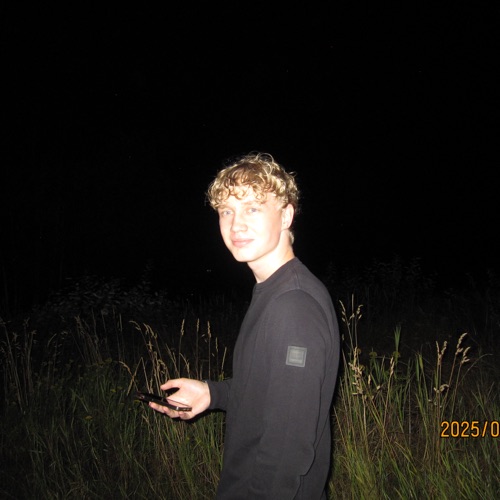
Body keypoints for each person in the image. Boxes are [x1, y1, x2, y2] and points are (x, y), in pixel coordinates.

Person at [150, 152, 340, 499]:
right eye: (226, 211)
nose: (236, 225)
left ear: (286, 216)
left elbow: (288, 447)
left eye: (252, 208)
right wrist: (213, 393)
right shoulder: (274, 290)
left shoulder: (293, 307)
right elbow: (269, 391)